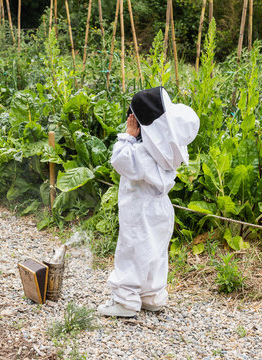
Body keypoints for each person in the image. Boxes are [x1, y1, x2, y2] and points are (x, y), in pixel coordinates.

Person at [97, 86, 199, 317]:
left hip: (139, 208)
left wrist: (128, 136)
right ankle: (152, 296)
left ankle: (125, 301)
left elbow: (119, 159)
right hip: (161, 209)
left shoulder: (141, 152)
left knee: (132, 251)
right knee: (154, 252)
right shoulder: (168, 152)